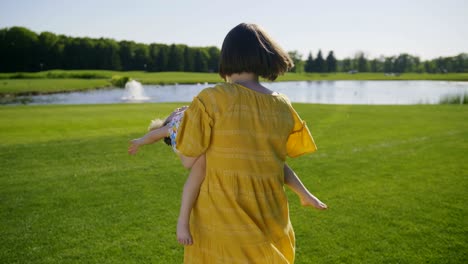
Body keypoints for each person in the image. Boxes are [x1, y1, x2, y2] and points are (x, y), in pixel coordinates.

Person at [172, 23, 325, 263]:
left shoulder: (212, 99)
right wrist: (303, 194)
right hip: (271, 215)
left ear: (228, 57)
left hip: (223, 218)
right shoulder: (282, 105)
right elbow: (275, 161)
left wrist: (174, 133)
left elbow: (188, 159)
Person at [128, 105, 326, 246]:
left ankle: (305, 195)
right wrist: (140, 141)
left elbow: (155, 135)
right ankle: (182, 222)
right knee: (199, 171)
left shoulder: (181, 118)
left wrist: (140, 141)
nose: (174, 112)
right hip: (202, 143)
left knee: (268, 160)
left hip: (209, 137)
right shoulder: (176, 122)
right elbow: (155, 135)